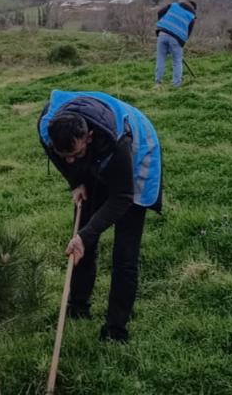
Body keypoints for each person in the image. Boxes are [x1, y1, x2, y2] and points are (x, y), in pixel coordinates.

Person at [38, 90, 162, 342]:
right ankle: (78, 307)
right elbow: (62, 156)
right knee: (83, 238)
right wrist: (75, 180)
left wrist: (85, 235)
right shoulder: (47, 128)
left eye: (75, 154)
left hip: (135, 165)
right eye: (65, 156)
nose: (70, 160)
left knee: (124, 256)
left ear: (89, 137)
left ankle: (116, 329)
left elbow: (122, 196)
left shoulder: (118, 142)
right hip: (97, 160)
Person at [154, 0, 196, 86]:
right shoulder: (191, 16)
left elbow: (159, 12)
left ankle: (158, 83)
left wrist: (162, 24)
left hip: (162, 33)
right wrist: (181, 43)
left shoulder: (173, 5)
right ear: (193, 9)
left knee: (160, 59)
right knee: (177, 61)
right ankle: (176, 84)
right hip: (177, 38)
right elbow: (188, 33)